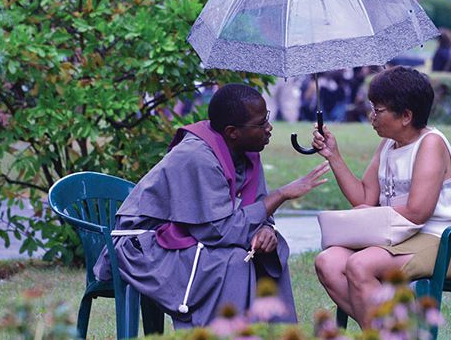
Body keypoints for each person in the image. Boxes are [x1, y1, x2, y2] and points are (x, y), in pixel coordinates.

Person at [93, 83, 330, 328]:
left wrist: (266, 231)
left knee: (270, 249)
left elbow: (257, 208)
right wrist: (282, 194)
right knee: (234, 262)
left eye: (267, 119)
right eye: (261, 124)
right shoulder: (197, 156)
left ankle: (270, 333)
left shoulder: (246, 152)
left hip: (191, 235)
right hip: (144, 247)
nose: (269, 128)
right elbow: (219, 231)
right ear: (232, 131)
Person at [310, 66, 451, 329]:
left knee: (360, 265)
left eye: (378, 109)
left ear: (406, 116)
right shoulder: (388, 143)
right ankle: (395, 331)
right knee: (327, 262)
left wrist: (367, 214)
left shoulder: (430, 143)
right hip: (399, 234)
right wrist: (333, 156)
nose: (371, 115)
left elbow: (418, 212)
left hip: (443, 239)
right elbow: (363, 196)